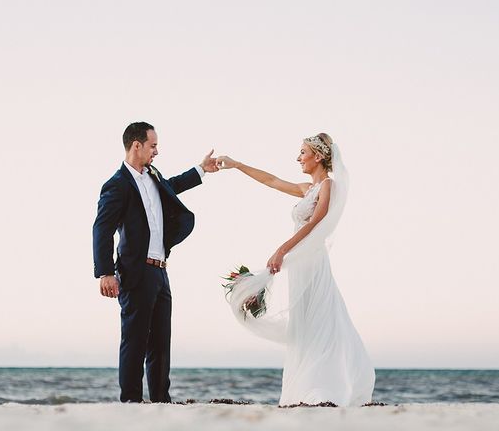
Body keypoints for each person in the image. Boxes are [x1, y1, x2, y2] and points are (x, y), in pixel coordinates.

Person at [216, 133, 375, 406]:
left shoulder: (328, 185)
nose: (298, 157)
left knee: (319, 320)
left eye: (302, 152)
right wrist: (237, 164)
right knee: (304, 323)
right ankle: (304, 389)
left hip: (311, 261)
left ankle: (324, 387)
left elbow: (315, 222)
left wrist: (281, 250)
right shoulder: (308, 188)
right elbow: (272, 181)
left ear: (319, 156)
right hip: (300, 263)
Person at [93, 121, 218, 403]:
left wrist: (200, 170)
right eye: (153, 145)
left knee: (161, 343)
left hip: (161, 272)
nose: (157, 151)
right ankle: (131, 402)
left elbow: (172, 187)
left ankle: (162, 401)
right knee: (135, 341)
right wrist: (105, 272)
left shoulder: (154, 176)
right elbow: (102, 228)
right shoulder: (116, 185)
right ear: (136, 145)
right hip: (136, 272)